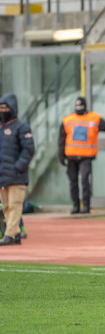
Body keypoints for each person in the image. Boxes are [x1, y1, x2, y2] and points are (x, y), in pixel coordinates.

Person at [58, 97, 105, 214]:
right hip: (71, 157)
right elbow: (61, 139)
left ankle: (86, 206)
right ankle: (75, 206)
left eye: (81, 106)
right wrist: (61, 155)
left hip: (86, 156)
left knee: (85, 180)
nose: (79, 108)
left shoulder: (94, 118)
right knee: (73, 181)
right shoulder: (68, 120)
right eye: (77, 106)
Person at [0, 93, 35, 246]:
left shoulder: (22, 127)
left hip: (16, 176)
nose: (3, 110)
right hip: (2, 176)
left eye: (5, 107)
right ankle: (14, 235)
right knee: (6, 207)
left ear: (13, 108)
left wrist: (18, 168)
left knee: (15, 206)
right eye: (0, 108)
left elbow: (28, 150)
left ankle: (9, 234)